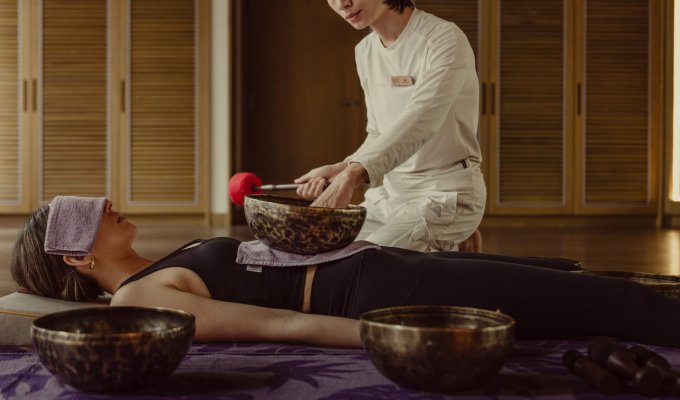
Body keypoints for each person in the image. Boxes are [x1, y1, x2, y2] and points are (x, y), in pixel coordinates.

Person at [9, 196, 680, 349]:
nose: (107, 203)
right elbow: (277, 324)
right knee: (597, 302)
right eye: (90, 215)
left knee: (563, 272)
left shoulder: (161, 262)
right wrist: (399, 336)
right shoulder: (140, 299)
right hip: (382, 294)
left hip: (388, 262)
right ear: (78, 257)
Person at [295, 0, 485, 253]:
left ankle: (451, 237)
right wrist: (342, 167)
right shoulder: (365, 51)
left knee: (362, 260)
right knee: (317, 248)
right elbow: (378, 132)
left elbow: (420, 121)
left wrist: (351, 176)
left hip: (446, 192)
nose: (342, 4)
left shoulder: (444, 38)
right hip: (391, 195)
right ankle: (451, 254)